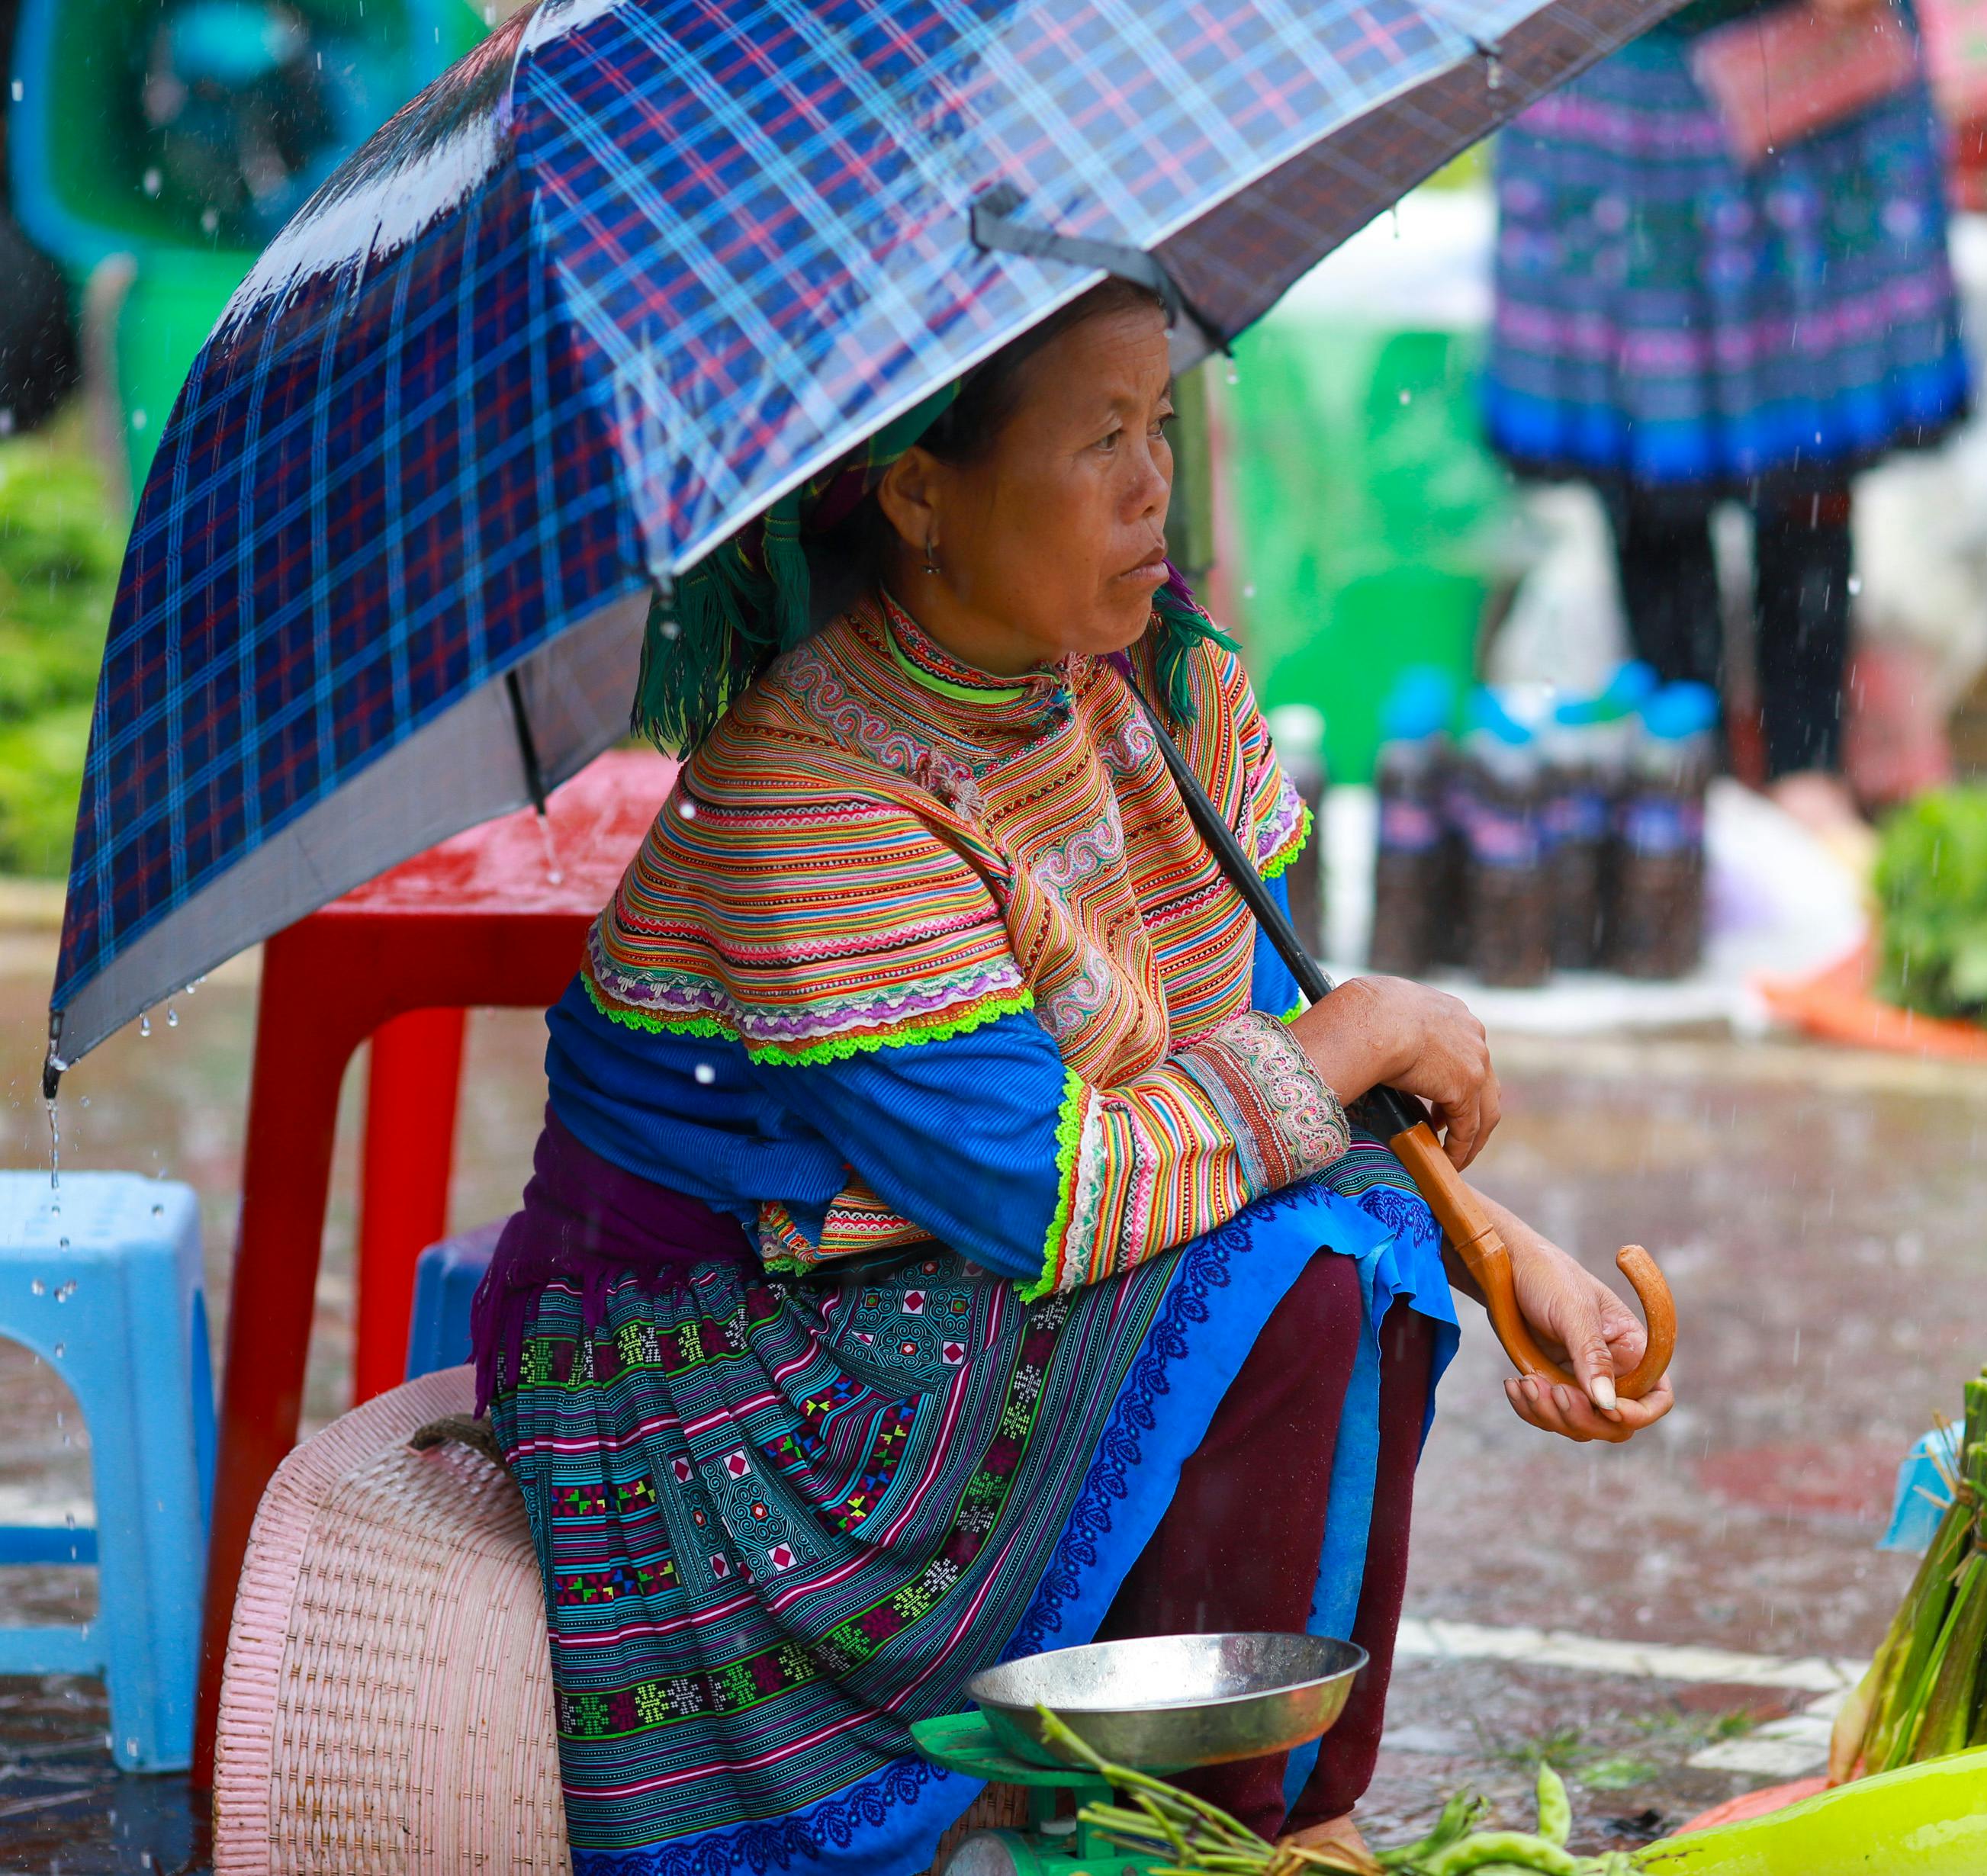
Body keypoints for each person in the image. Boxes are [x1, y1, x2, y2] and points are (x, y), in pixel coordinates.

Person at [471, 278, 1673, 1874]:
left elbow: (1270, 1089)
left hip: (942, 1262)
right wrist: (1371, 1026)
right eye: (1098, 438)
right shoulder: (809, 796)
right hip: (729, 1347)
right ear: (919, 494)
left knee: (1365, 1240)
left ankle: (1294, 1802)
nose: (1151, 484)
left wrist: (1507, 1258)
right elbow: (1048, 1195)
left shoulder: (1145, 693)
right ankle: (1207, 1826)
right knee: (1290, 1266)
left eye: (1158, 422)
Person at [1483, 0, 1967, 844]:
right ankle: (1689, 781)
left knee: (1809, 445)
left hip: (1803, 64)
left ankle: (1804, 771)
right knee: (1645, 444)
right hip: (1609, 64)